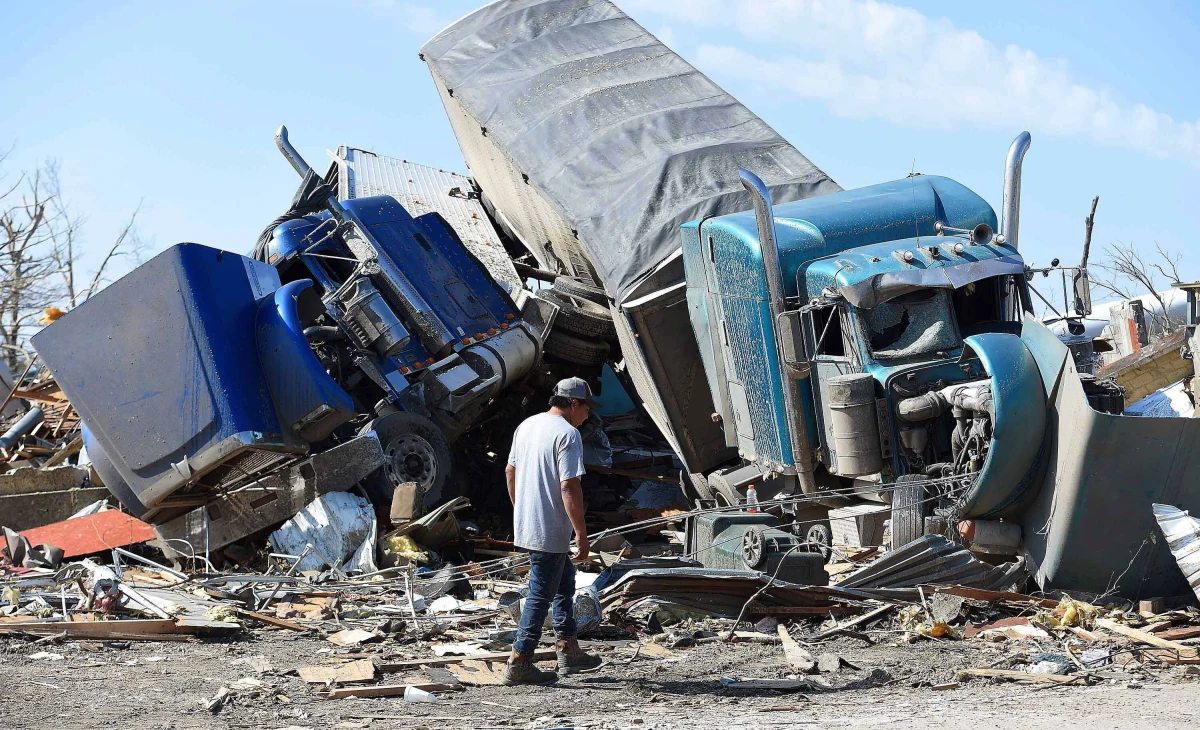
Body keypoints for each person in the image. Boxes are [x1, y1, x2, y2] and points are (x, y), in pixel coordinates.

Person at [503, 376, 604, 685]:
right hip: (550, 527)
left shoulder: (527, 426)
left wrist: (522, 509)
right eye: (586, 407)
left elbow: (510, 471)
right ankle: (520, 660)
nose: (588, 414)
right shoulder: (568, 434)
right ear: (574, 404)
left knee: (564, 583)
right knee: (539, 593)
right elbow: (569, 486)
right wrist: (582, 534)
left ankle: (568, 650)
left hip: (531, 522)